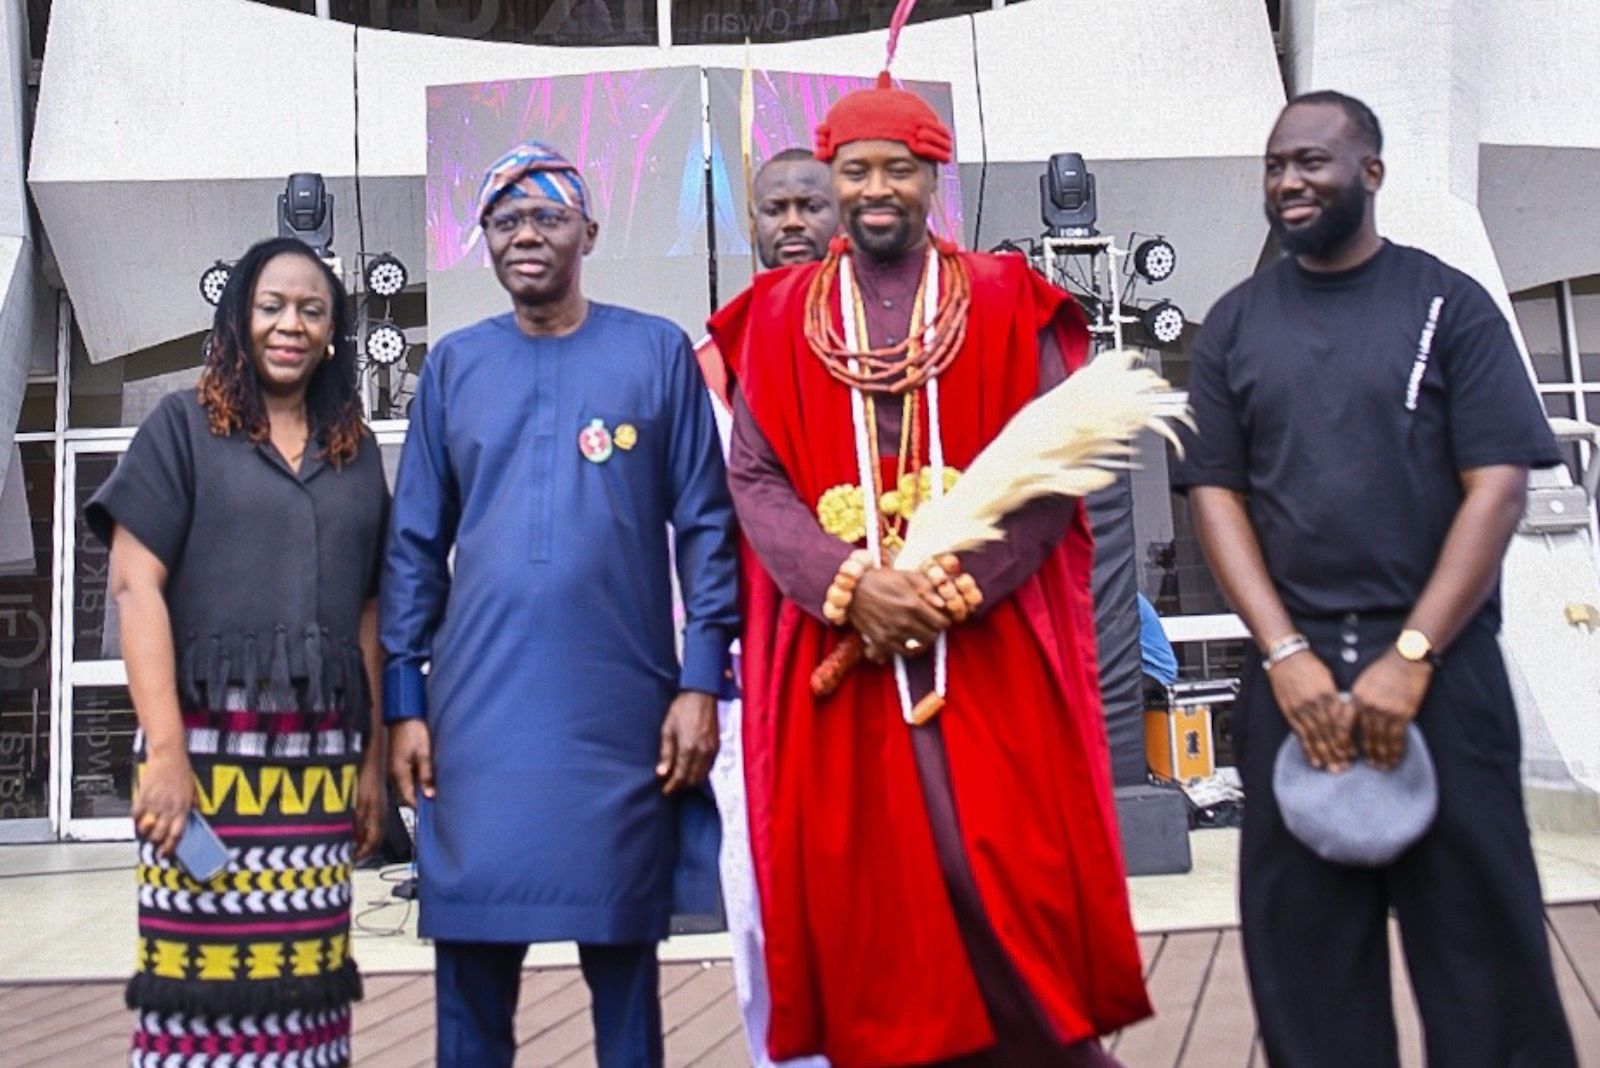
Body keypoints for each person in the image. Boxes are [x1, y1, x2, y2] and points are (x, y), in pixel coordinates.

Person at [709, 77, 1150, 1066]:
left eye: (897, 171)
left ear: (930, 178)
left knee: (1000, 876)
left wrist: (948, 586)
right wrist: (852, 585)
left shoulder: (999, 298)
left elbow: (1053, 467)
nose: (876, 190)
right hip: (842, 657)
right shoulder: (778, 314)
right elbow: (756, 477)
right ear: (832, 177)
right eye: (855, 171)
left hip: (983, 649)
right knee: (873, 900)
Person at [1174, 90, 1578, 1067]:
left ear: (1371, 172)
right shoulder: (1233, 323)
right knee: (1305, 969)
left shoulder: (1449, 304)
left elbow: (1495, 490)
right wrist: (1281, 652)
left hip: (1442, 679)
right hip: (1292, 684)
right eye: (1275, 164)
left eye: (1311, 160)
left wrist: (1410, 654)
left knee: (1483, 960)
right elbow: (1213, 495)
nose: (1288, 181)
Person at [381, 140, 739, 1068]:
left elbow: (707, 527)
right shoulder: (455, 367)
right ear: (485, 243)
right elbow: (414, 545)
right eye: (504, 221)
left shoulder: (655, 351)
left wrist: (701, 682)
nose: (525, 235)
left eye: (545, 217)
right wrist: (405, 703)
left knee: (624, 977)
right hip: (477, 722)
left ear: (588, 227)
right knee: (469, 986)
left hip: (620, 719)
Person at [88, 236, 389, 1068]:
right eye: (271, 306)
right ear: (239, 319)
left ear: (334, 332)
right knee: (198, 1003)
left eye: (311, 310)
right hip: (204, 761)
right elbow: (135, 589)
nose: (289, 325)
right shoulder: (181, 428)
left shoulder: (355, 453)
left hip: (320, 767)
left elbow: (367, 611)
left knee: (308, 1000)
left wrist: (371, 762)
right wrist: (166, 752)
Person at [700, 148, 837, 1068]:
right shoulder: (711, 359)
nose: (791, 224)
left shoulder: (900, 335)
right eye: (773, 209)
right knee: (760, 906)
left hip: (876, 653)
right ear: (749, 224)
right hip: (753, 675)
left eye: (808, 206)